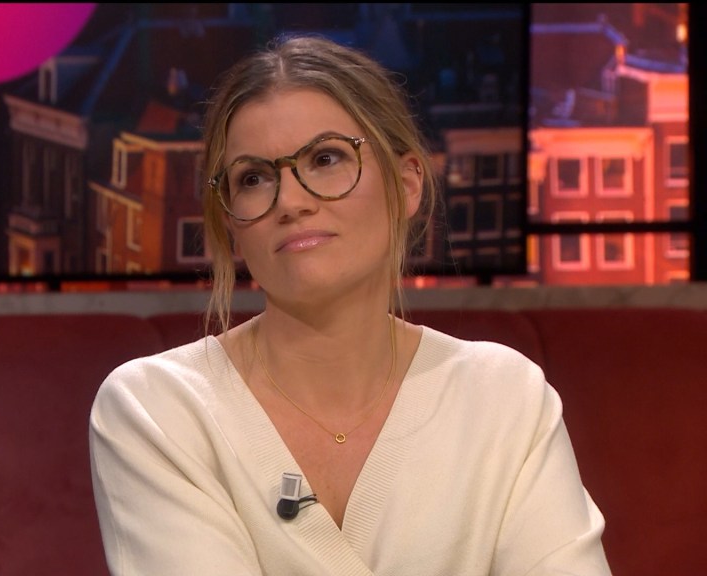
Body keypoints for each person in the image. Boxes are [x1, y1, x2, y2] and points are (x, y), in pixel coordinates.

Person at [89, 35, 611, 575]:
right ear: (231, 225)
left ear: (407, 184)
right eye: (254, 178)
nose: (290, 201)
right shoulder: (156, 409)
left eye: (326, 158)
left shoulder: (504, 398)